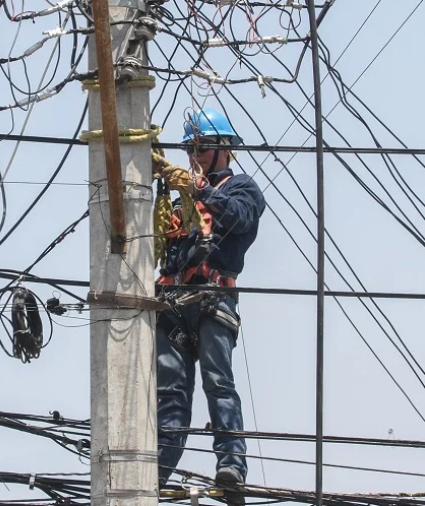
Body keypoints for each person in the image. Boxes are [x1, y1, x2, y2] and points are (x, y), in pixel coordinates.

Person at [153, 108, 266, 489]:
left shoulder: (242, 188)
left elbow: (240, 219)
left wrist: (199, 190)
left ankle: (232, 466)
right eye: (191, 148)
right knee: (170, 397)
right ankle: (151, 477)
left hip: (213, 299)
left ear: (224, 148)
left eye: (202, 147)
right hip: (171, 304)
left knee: (218, 383)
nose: (195, 155)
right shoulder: (181, 198)